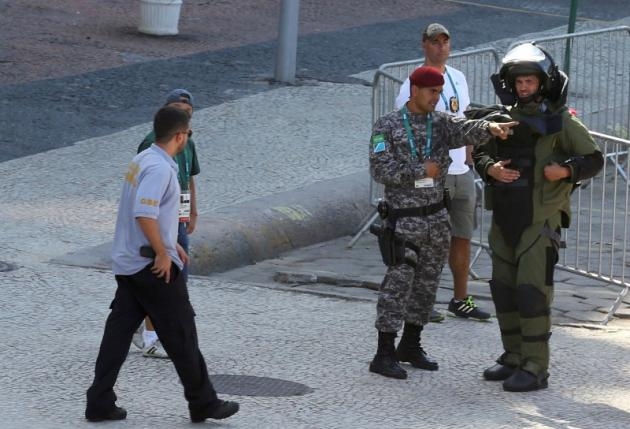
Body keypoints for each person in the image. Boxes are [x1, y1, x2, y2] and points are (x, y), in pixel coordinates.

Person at [85, 106, 239, 422]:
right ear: (180, 135)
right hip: (150, 267)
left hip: (130, 263)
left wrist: (170, 246)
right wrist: (162, 253)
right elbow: (145, 213)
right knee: (182, 332)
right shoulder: (159, 169)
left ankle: (99, 401)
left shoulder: (142, 160)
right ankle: (203, 401)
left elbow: (147, 213)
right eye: (189, 134)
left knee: (118, 333)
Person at [368, 66, 517, 379]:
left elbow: (464, 128)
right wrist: (420, 171)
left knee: (427, 284)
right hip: (404, 219)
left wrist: (491, 127)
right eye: (431, 92)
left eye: (439, 91)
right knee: (398, 285)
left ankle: (410, 345)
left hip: (436, 217)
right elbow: (380, 170)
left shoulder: (440, 123)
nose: (436, 98)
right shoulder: (387, 126)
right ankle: (383, 353)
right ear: (414, 91)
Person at [472, 43, 603, 391]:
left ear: (543, 83)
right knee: (503, 290)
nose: (523, 87)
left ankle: (535, 368)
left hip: (540, 220)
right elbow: (481, 154)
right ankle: (513, 356)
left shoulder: (562, 122)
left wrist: (565, 170)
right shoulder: (501, 119)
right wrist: (491, 169)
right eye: (519, 82)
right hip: (503, 217)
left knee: (532, 293)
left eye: (530, 81)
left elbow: (594, 159)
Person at [395, 23, 491, 322]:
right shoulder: (413, 82)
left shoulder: (458, 77)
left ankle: (460, 298)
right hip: (434, 172)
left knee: (461, 235)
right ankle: (420, 299)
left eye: (445, 42)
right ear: (424, 44)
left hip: (460, 169)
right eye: (435, 42)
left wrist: (470, 153)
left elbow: (462, 117)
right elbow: (406, 124)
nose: (441, 47)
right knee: (426, 236)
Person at [132, 89, 201, 359]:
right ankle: (155, 334)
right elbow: (145, 201)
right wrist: (163, 246)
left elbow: (190, 178)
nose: (185, 112)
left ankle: (149, 330)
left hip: (178, 220)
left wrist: (192, 212)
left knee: (170, 276)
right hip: (162, 222)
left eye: (188, 109)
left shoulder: (188, 143)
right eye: (178, 107)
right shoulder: (152, 149)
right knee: (164, 277)